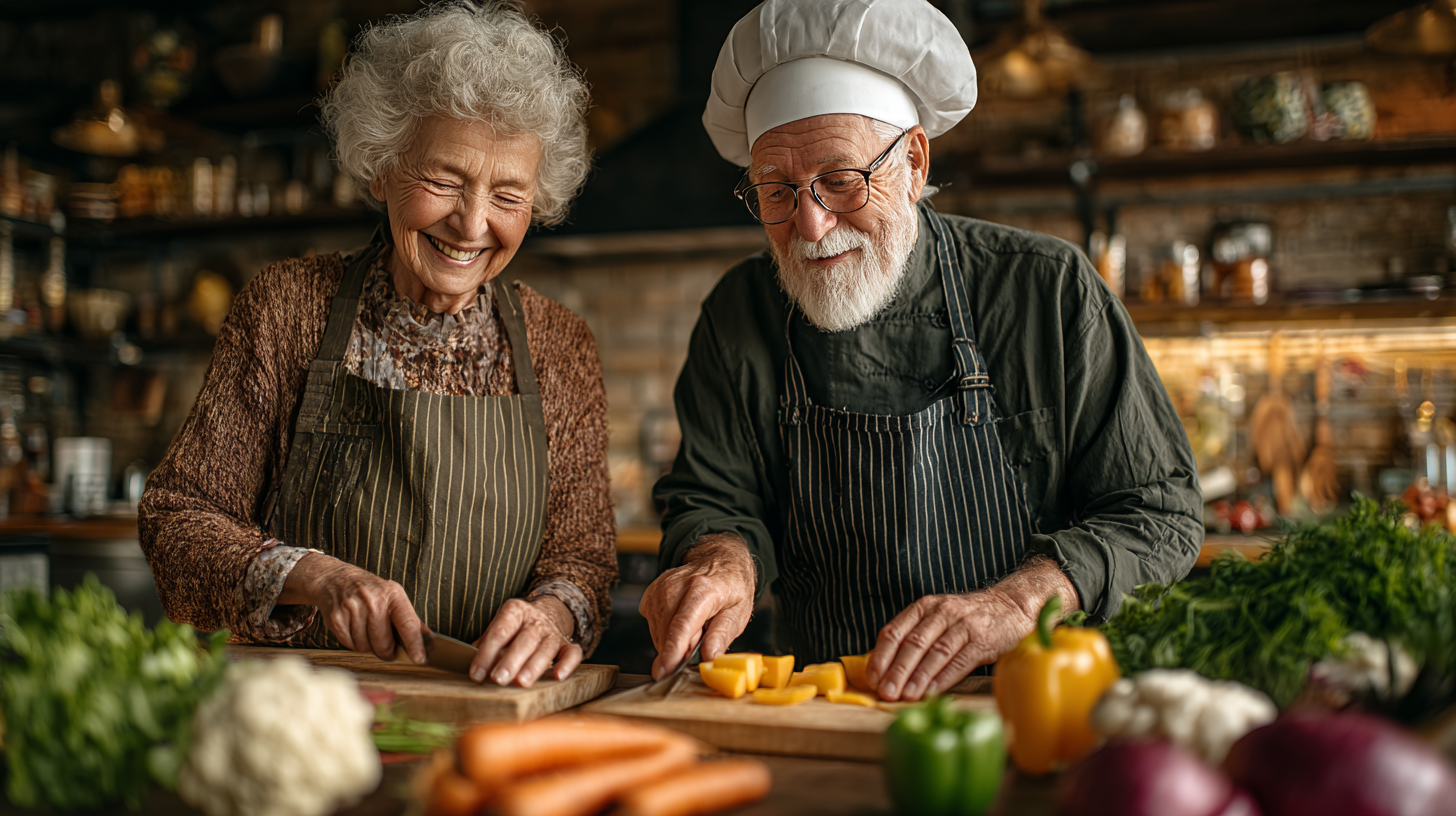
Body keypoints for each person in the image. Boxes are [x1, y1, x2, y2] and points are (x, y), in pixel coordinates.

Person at [643, 0, 1201, 701]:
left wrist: (1017, 605)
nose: (811, 224)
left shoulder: (1044, 289)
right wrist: (722, 559)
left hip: (1039, 701)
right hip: (828, 708)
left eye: (841, 181)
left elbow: (1159, 513)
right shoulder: (740, 313)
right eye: (776, 191)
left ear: (913, 159)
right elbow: (714, 497)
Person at [140, 1, 615, 689]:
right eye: (444, 180)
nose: (472, 223)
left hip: (490, 710)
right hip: (303, 715)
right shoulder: (286, 308)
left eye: (507, 196)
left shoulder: (560, 345)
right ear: (381, 167)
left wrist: (554, 612)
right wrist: (317, 576)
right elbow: (177, 521)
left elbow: (586, 561)